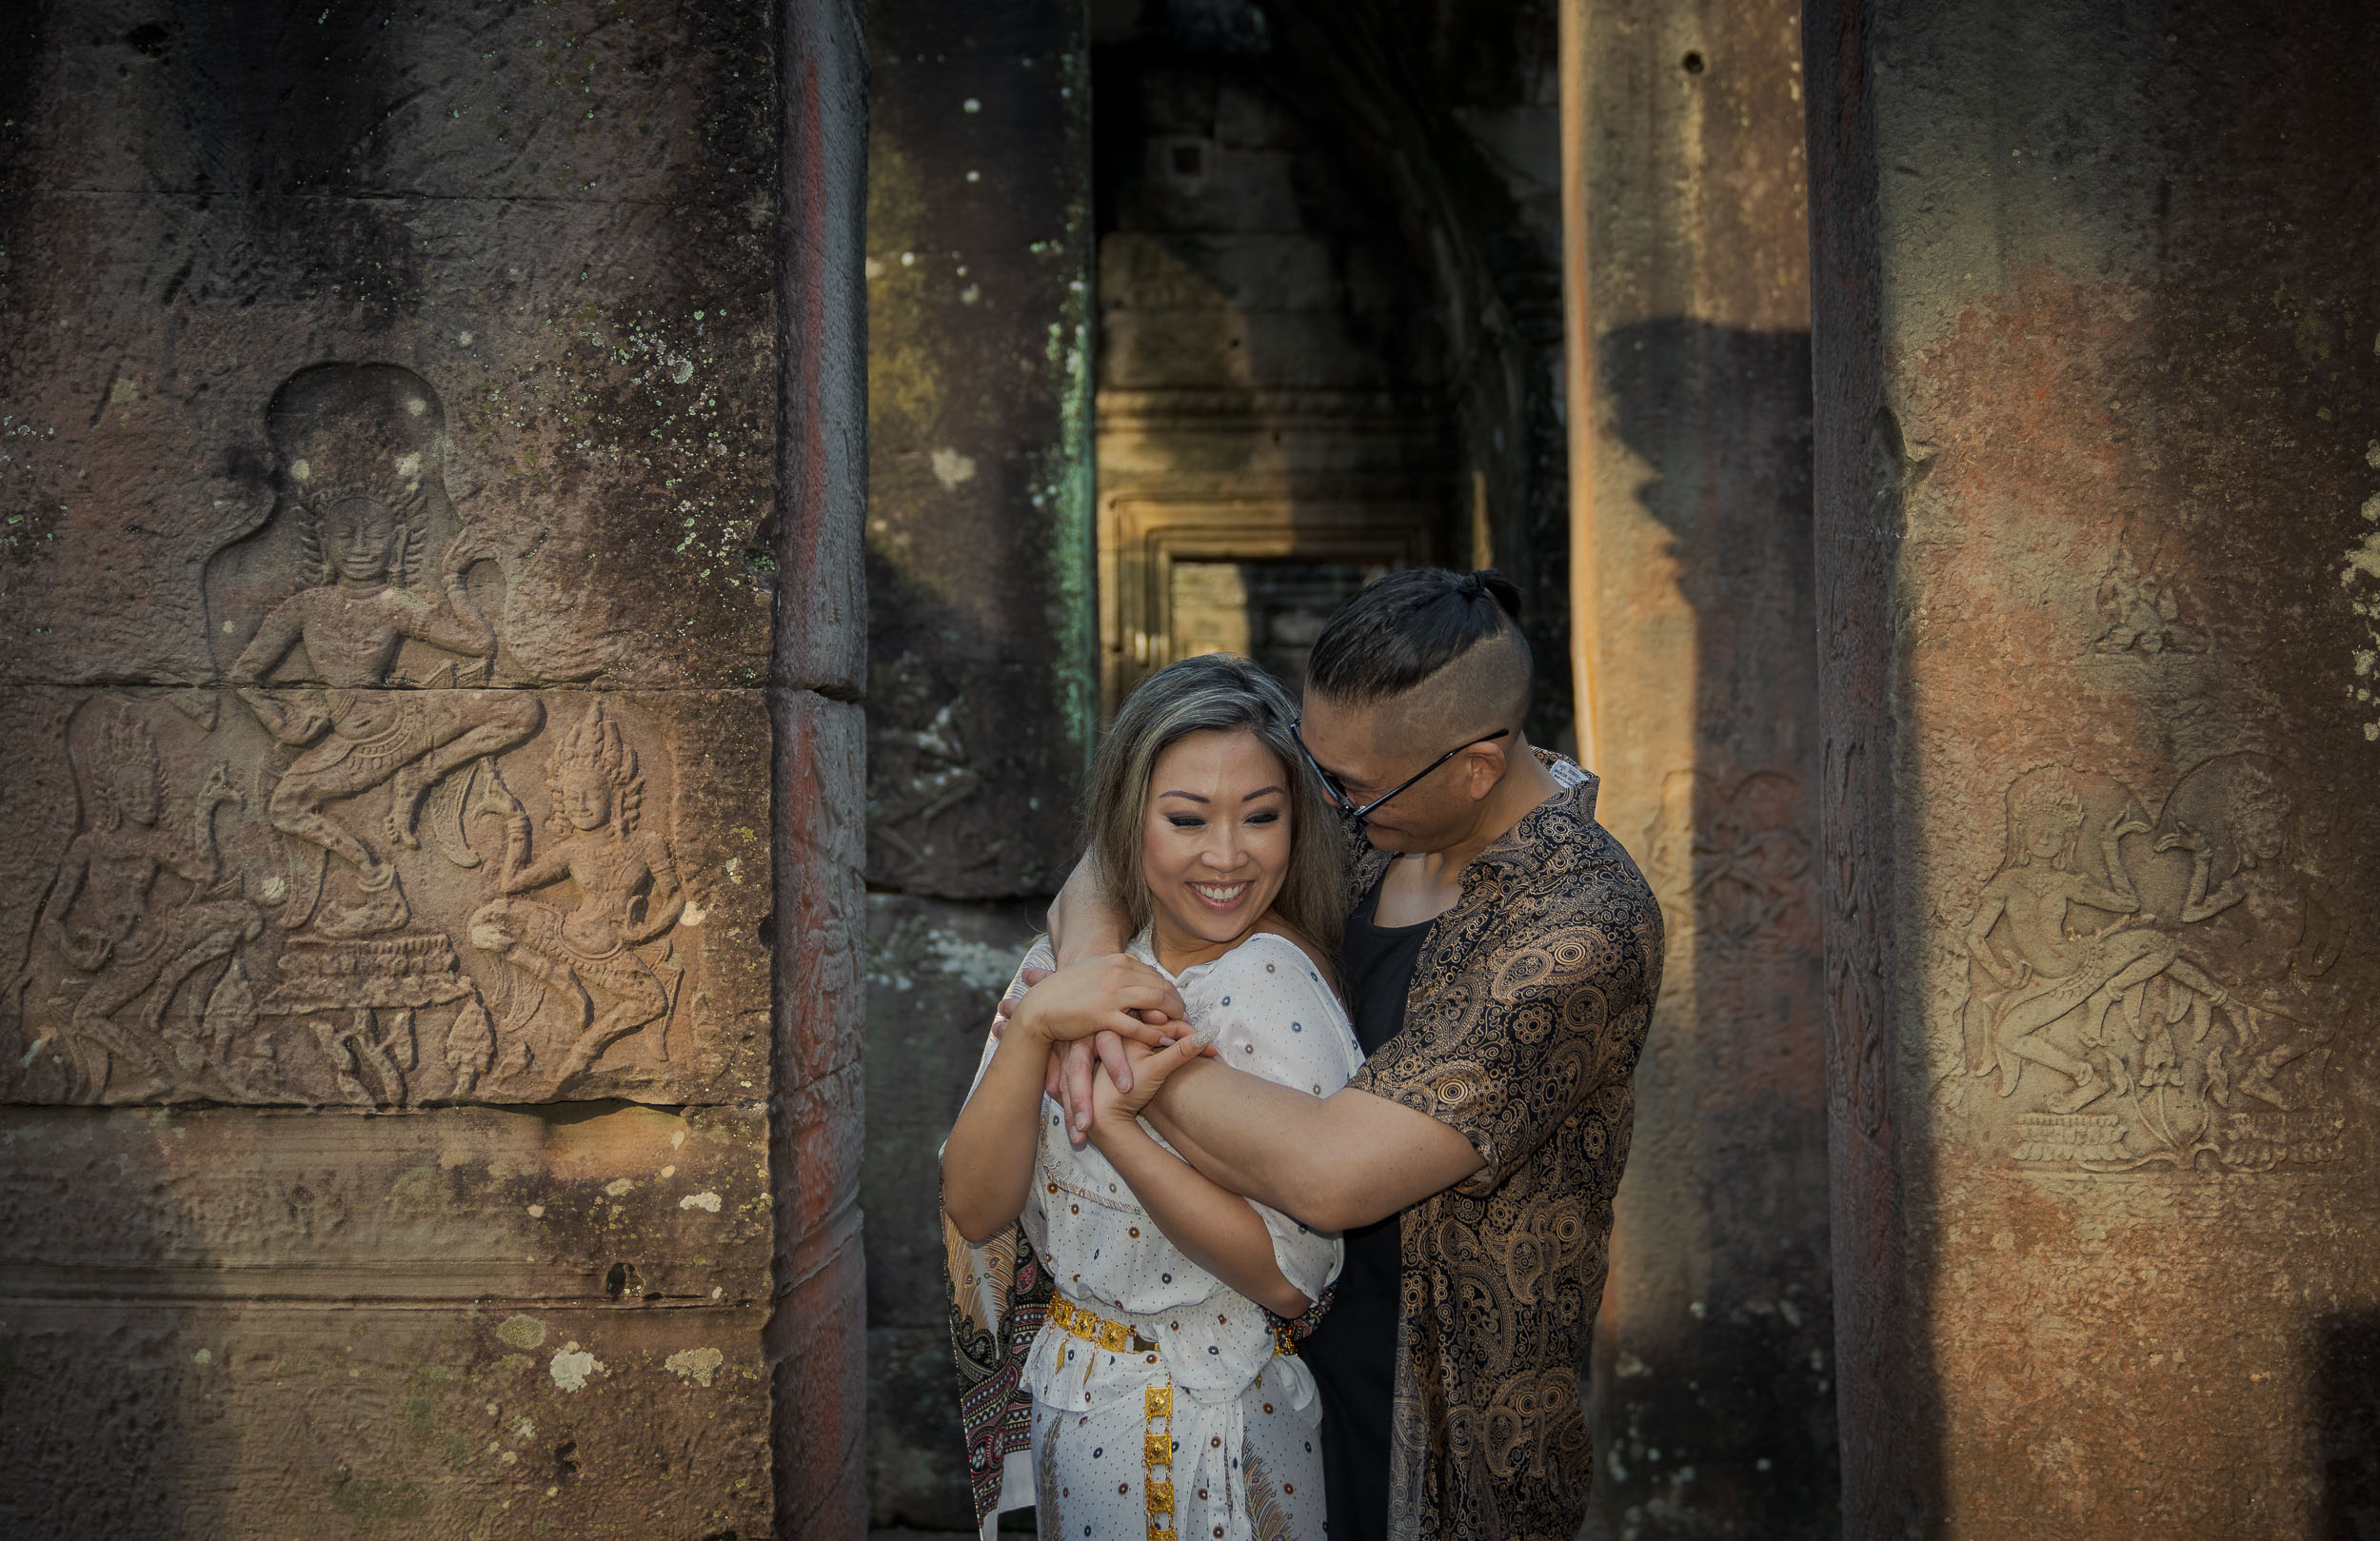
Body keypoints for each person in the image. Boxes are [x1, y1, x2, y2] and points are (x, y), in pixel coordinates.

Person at [1024, 568, 1663, 1541]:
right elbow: (1115, 855)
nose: (1321, 799)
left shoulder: (1579, 920)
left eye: (1345, 784)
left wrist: (1110, 1037)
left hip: (1440, 1417)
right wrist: (1092, 969)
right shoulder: (1376, 808)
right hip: (1262, 1365)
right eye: (1313, 772)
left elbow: (1330, 1175)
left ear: (1478, 766)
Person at [942, 653, 1366, 1541]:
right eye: (1186, 818)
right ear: (1128, 820)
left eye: (1262, 817)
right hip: (1073, 1399)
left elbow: (1292, 1279)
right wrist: (1033, 1030)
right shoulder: (1071, 972)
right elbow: (977, 1208)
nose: (1227, 854)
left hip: (1215, 1427)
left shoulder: (1272, 986)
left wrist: (1122, 1128)